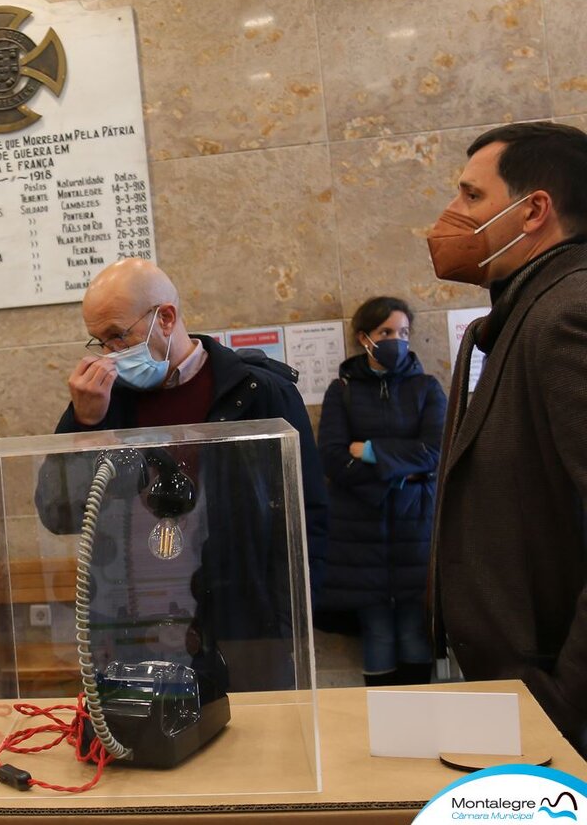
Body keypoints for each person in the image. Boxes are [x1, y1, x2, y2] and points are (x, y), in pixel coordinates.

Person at [36, 259, 328, 692]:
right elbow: (58, 514)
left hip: (243, 625)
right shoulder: (102, 401)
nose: (111, 354)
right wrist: (85, 426)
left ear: (165, 318)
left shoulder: (259, 392)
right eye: (100, 342)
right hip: (132, 628)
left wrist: (286, 621)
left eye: (119, 335)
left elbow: (309, 515)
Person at [426, 121, 587, 754]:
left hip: (554, 704)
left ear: (534, 211)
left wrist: (563, 699)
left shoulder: (568, 313)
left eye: (470, 196)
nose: (449, 215)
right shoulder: (522, 309)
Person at [317, 296, 446, 686]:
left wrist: (372, 451)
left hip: (415, 528)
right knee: (375, 631)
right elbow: (334, 459)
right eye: (386, 332)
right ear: (364, 338)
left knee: (413, 628)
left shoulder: (427, 388)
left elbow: (436, 452)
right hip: (359, 534)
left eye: (403, 333)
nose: (397, 340)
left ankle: (422, 721)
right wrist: (400, 476)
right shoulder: (341, 391)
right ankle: (383, 729)